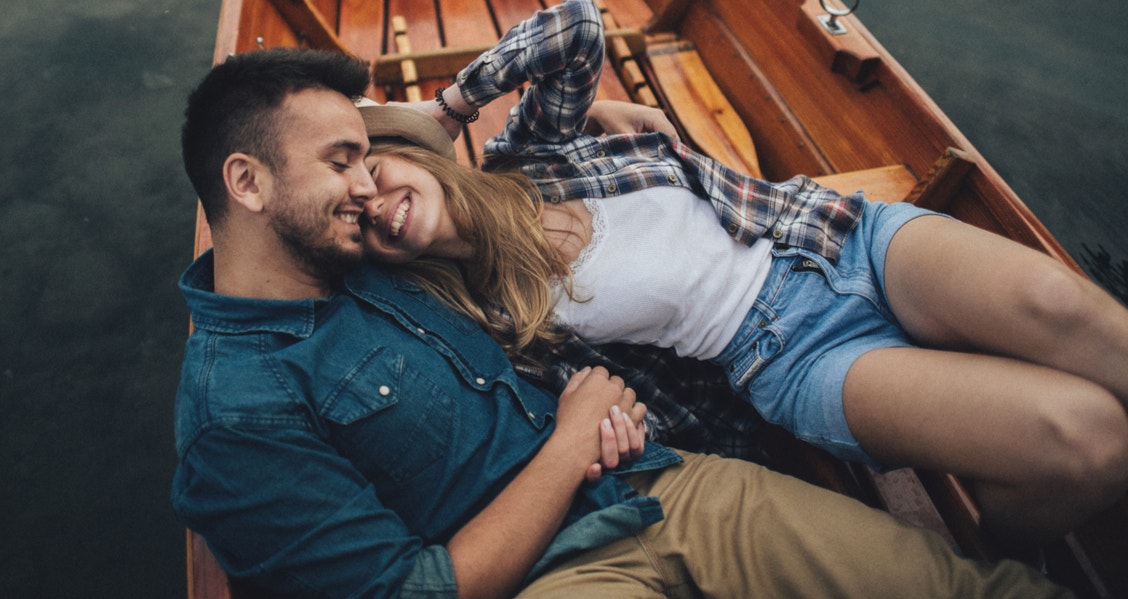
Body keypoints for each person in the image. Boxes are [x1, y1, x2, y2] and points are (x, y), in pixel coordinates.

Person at [172, 40, 1071, 598]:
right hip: (560, 577)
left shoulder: (364, 247)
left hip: (668, 485)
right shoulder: (235, 417)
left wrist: (476, 123)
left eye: (368, 160)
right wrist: (567, 445)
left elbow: (494, 193)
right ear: (246, 183)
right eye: (340, 162)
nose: (367, 188)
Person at [355, 0, 1128, 547]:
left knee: (1061, 299)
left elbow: (574, 25)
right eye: (357, 220)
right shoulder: (491, 326)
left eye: (378, 171)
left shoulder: (527, 155)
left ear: (412, 155)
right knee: (1084, 442)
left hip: (833, 235)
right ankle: (992, 558)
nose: (378, 205)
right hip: (789, 356)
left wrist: (444, 111)